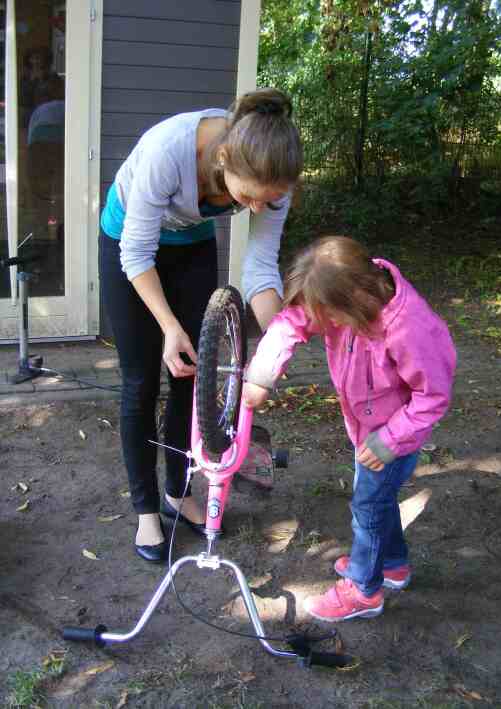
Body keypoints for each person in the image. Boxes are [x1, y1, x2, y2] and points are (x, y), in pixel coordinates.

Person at [99, 88, 303, 563]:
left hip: (190, 244)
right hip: (128, 243)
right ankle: (146, 510)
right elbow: (136, 253)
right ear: (226, 158)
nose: (256, 208)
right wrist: (168, 325)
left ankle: (177, 491)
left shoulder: (274, 183)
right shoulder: (168, 150)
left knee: (191, 377)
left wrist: (277, 342)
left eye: (266, 199)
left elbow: (260, 270)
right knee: (141, 379)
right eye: (248, 196)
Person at [243, 236, 456, 621]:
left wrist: (389, 441)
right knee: (379, 498)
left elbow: (433, 395)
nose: (326, 326)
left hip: (394, 436)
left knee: (368, 507)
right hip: (367, 430)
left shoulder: (409, 327)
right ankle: (392, 565)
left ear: (356, 300)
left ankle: (363, 590)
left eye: (332, 318)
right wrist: (261, 374)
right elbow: (293, 321)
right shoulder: (340, 296)